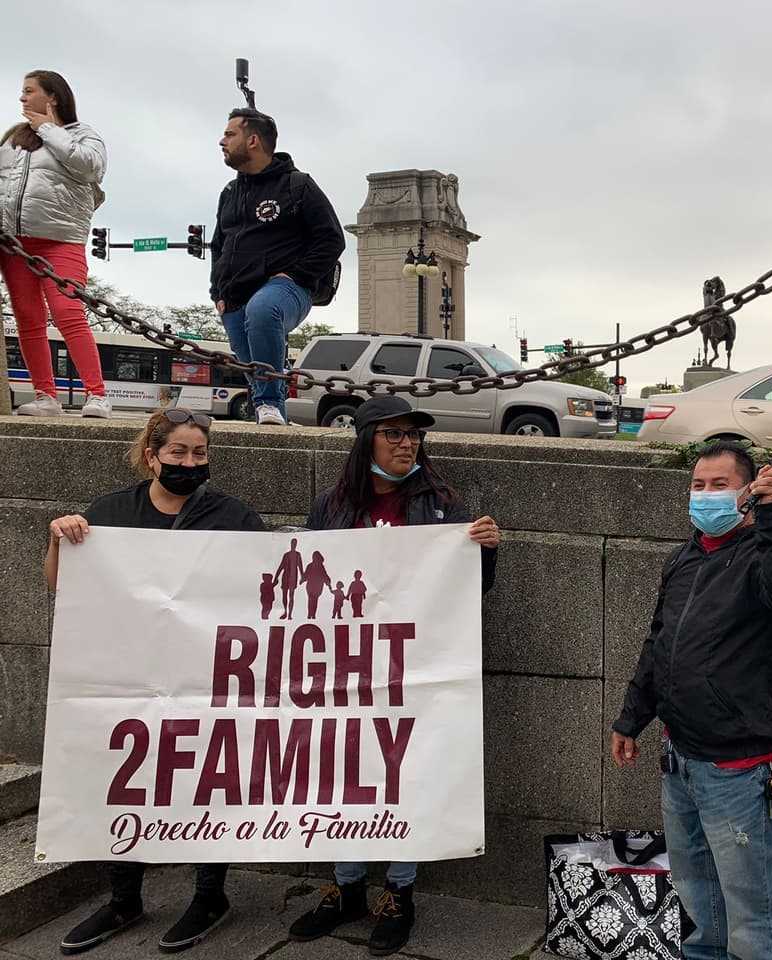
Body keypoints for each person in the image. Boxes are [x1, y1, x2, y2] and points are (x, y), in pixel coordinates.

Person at [46, 408, 264, 955]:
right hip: (129, 673)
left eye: (199, 454)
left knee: (209, 779)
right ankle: (124, 897)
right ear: (152, 456)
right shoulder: (111, 512)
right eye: (178, 454)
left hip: (206, 673)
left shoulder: (232, 516)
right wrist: (59, 538)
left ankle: (210, 895)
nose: (190, 463)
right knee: (125, 777)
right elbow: (62, 586)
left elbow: (264, 589)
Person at [287, 395, 499, 957]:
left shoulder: (442, 506)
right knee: (344, 769)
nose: (408, 444)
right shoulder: (331, 506)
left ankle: (398, 891)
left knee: (406, 771)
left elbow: (468, 590)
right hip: (346, 665)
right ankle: (347, 884)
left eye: (414, 435)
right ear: (366, 442)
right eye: (394, 435)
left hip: (415, 666)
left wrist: (484, 552)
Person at [610, 442, 772, 960]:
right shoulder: (683, 558)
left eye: (719, 485)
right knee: (698, 898)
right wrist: (632, 718)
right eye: (698, 485)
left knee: (754, 907)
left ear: (748, 492)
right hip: (679, 758)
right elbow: (659, 644)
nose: (705, 495)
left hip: (738, 770)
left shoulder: (765, 555)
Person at [209, 107, 344, 426]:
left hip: (287, 289)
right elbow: (218, 245)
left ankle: (269, 402)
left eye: (230, 134)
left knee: (263, 310)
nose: (222, 141)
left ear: (252, 140)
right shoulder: (230, 192)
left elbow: (332, 239)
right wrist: (218, 290)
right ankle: (272, 423)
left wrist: (296, 274)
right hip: (234, 298)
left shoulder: (297, 185)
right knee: (257, 377)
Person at [0, 70, 110, 418]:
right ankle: (46, 395)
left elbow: (90, 167)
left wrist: (48, 129)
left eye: (29, 91)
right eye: (21, 92)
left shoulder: (82, 135)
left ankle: (97, 395)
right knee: (28, 320)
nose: (22, 98)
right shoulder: (13, 138)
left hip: (61, 240)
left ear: (53, 97)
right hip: (14, 243)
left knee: (68, 313)